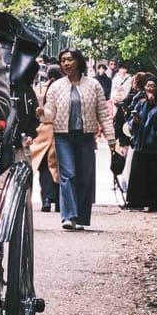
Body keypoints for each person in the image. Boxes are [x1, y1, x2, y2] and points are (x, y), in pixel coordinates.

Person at [43, 48, 109, 230]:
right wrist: (43, 114)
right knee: (68, 174)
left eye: (69, 59)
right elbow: (50, 112)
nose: (65, 63)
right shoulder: (56, 87)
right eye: (63, 60)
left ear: (78, 61)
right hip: (63, 135)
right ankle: (68, 216)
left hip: (86, 136)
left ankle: (81, 217)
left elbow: (103, 113)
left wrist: (111, 139)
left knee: (85, 177)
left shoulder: (94, 85)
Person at [122, 79, 157, 211]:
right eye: (147, 86)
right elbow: (131, 122)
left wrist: (153, 105)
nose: (149, 88)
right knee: (139, 174)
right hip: (142, 145)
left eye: (152, 86)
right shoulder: (141, 104)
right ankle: (137, 201)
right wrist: (135, 121)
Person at [31, 64, 62, 212]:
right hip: (58, 130)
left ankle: (46, 199)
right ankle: (58, 200)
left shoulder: (40, 89)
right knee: (58, 167)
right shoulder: (63, 88)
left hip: (42, 131)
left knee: (44, 167)